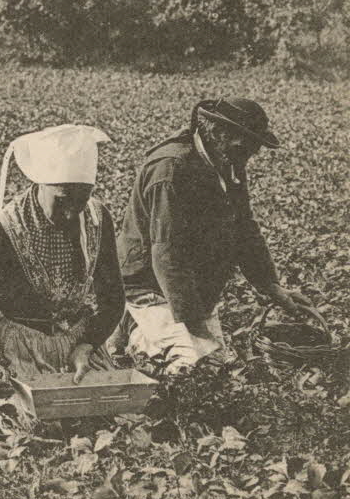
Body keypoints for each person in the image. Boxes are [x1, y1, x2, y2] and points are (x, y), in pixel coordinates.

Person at [113, 98, 324, 373]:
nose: (249, 156)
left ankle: (144, 329)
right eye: (244, 146)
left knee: (214, 363)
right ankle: (136, 334)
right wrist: (193, 324)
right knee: (194, 365)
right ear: (218, 133)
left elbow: (244, 227)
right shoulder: (171, 170)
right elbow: (168, 254)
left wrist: (271, 286)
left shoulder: (229, 160)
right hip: (148, 284)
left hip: (197, 285)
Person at [0, 124, 122, 432]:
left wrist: (88, 344)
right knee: (37, 426)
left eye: (81, 199)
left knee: (109, 416)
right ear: (40, 185)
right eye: (62, 199)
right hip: (21, 347)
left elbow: (113, 299)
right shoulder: (1, 233)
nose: (71, 213)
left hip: (78, 345)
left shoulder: (97, 219)